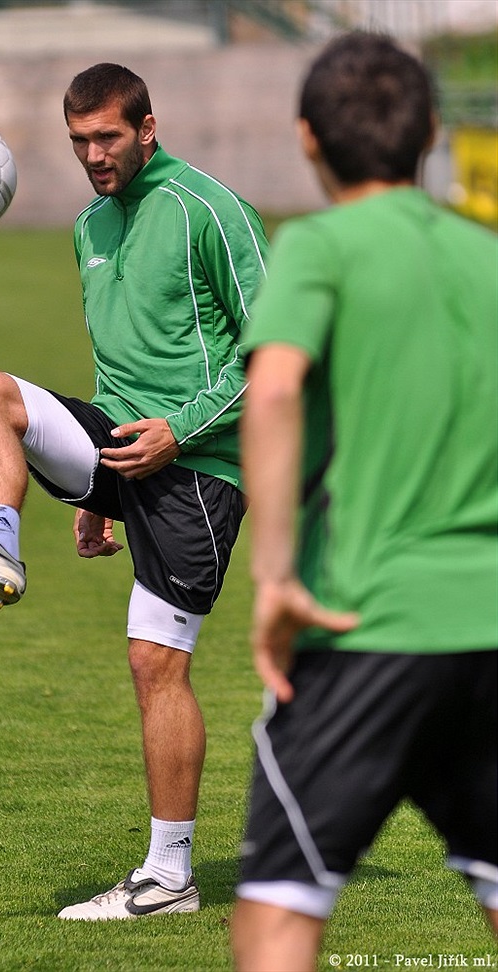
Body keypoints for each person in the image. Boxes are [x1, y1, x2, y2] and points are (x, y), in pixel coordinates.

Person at [0, 62, 268, 919]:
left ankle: (170, 878)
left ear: (146, 128)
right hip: (119, 445)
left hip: (201, 467)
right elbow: (116, 358)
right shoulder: (91, 223)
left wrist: (181, 429)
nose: (94, 155)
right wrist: (97, 495)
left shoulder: (207, 208)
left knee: (154, 663)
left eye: (107, 137)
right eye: (79, 142)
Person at [230, 31, 498, 972]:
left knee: (279, 906)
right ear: (431, 129)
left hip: (367, 619)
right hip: (491, 624)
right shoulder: (488, 257)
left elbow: (271, 389)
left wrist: (271, 577)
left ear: (308, 139)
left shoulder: (321, 247)